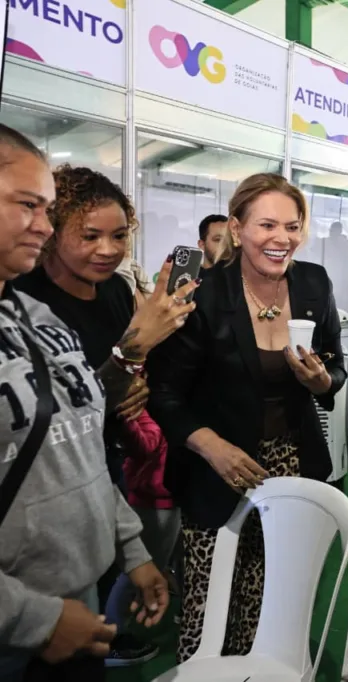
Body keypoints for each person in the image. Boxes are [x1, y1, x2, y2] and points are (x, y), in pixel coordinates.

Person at [147, 173, 347, 663]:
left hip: (294, 463)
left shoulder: (314, 283)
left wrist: (320, 381)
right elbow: (163, 391)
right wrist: (209, 445)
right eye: (267, 225)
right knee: (208, 603)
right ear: (237, 229)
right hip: (216, 468)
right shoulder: (204, 294)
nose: (282, 239)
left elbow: (336, 366)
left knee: (274, 593)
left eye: (293, 226)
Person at [0, 125, 173, 681]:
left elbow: (78, 445)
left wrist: (132, 550)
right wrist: (35, 618)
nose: (43, 226)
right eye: (29, 205)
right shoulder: (37, 300)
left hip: (73, 594)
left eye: (48, 209)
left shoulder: (35, 319)